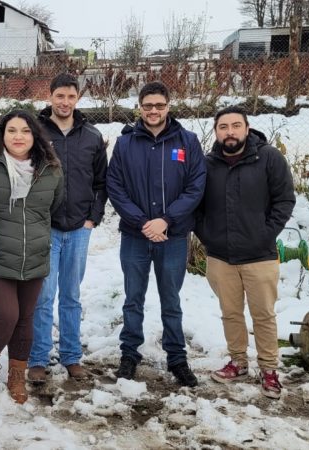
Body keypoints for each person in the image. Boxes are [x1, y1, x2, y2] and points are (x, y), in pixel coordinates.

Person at [106, 81, 206, 387]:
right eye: (147, 105)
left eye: (159, 105)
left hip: (173, 236)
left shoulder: (187, 142)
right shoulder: (125, 144)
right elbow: (115, 186)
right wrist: (142, 223)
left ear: (168, 106)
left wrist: (165, 220)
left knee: (171, 299)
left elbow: (195, 186)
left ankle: (176, 357)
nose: (153, 111)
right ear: (140, 107)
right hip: (135, 236)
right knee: (133, 298)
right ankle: (129, 354)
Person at [0, 110, 63, 404]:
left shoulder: (51, 168)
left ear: (35, 135)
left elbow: (54, 205)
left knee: (25, 318)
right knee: (7, 314)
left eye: (25, 131)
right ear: (1, 134)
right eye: (12, 131)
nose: (18, 137)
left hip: (34, 256)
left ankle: (17, 373)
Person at [195, 106, 295, 399]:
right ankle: (238, 361)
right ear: (216, 132)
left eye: (236, 126)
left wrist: (265, 233)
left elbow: (284, 200)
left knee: (263, 314)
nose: (230, 132)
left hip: (259, 255)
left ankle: (269, 369)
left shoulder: (268, 158)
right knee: (230, 313)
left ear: (247, 128)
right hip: (220, 256)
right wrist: (207, 235)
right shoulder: (208, 164)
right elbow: (196, 205)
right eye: (223, 127)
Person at [29, 73, 107, 384]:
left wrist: (93, 218)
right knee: (44, 295)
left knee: (72, 295)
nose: (65, 102)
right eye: (59, 96)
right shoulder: (36, 132)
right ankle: (38, 358)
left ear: (77, 98)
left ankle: (72, 356)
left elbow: (102, 182)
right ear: (51, 97)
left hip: (78, 228)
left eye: (70, 97)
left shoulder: (91, 136)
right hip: (45, 227)